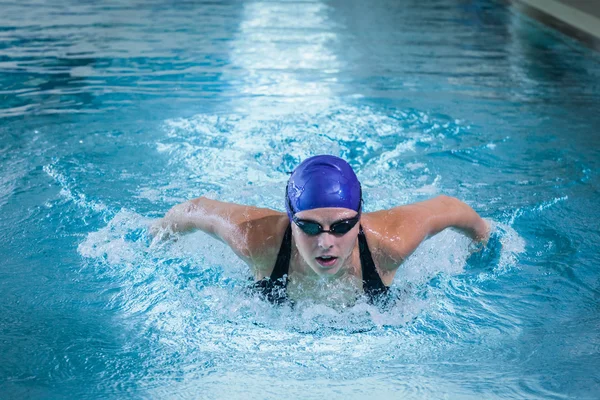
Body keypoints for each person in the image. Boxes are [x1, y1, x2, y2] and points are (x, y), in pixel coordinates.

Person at [151, 155, 489, 305]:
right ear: (291, 219)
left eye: (342, 226)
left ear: (359, 217)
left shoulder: (389, 244)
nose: (326, 242)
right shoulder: (258, 239)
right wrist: (154, 240)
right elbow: (195, 210)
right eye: (309, 226)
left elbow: (450, 208)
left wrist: (483, 243)